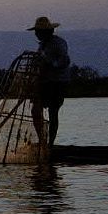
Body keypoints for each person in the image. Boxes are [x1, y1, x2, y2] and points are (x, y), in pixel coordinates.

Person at [28, 16, 70, 147]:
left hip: (56, 82)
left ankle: (50, 143)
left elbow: (64, 61)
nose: (36, 34)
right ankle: (42, 141)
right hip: (44, 82)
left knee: (53, 112)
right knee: (35, 110)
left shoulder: (58, 43)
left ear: (46, 32)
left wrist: (50, 63)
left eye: (38, 31)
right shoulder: (42, 45)